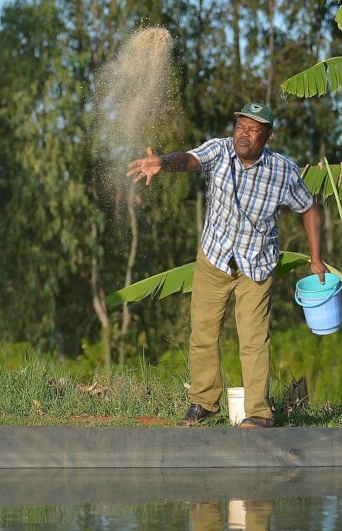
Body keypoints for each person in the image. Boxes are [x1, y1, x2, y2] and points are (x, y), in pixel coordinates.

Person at [126, 102, 327, 428]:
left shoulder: (283, 171)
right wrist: (162, 162)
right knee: (203, 333)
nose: (244, 134)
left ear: (269, 136)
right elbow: (191, 159)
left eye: (253, 129)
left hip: (257, 266)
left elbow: (309, 209)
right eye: (240, 127)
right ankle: (204, 402)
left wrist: (316, 259)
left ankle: (259, 412)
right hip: (215, 259)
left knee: (253, 340)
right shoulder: (220, 152)